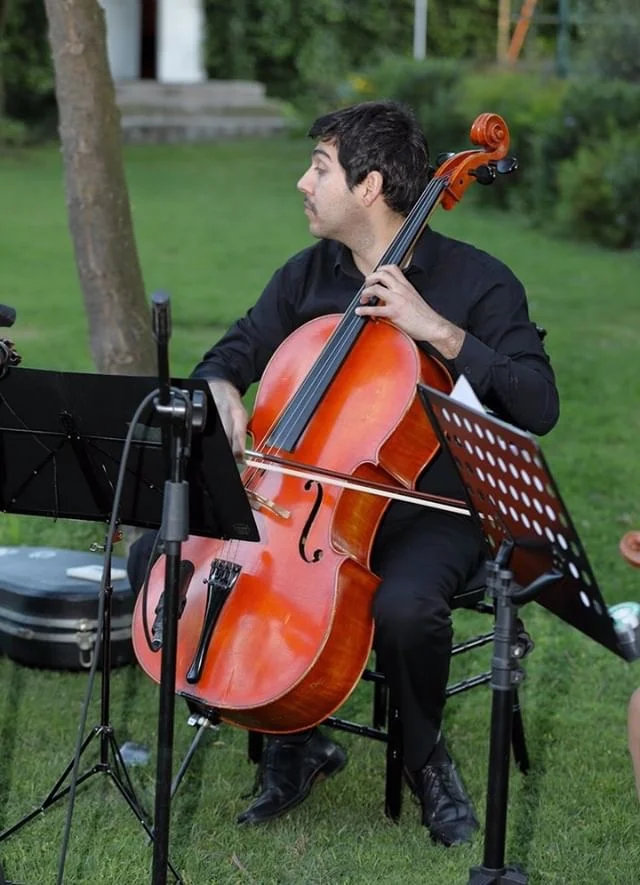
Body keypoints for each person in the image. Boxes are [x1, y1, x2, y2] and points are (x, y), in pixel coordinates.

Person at [128, 100, 560, 846]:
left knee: (405, 609)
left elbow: (539, 401)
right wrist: (224, 389)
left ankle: (425, 759)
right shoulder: (308, 276)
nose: (302, 182)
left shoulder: (479, 284)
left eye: (319, 169)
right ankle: (294, 739)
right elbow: (233, 352)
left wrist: (439, 331)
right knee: (159, 553)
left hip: (432, 505)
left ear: (369, 186)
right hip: (303, 502)